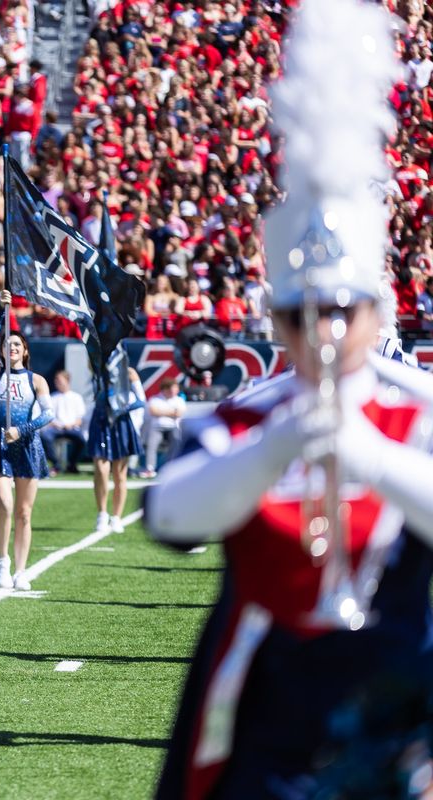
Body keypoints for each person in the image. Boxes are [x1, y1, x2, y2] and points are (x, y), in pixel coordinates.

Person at [146, 3, 433, 795]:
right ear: (275, 322)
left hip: (396, 717)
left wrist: (368, 455)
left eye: (345, 309)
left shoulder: (420, 415)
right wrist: (279, 444)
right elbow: (170, 516)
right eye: (302, 314)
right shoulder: (246, 419)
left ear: (378, 312)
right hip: (263, 720)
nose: (325, 330)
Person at [0, 291, 54, 591]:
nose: (10, 347)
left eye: (16, 344)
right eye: (7, 344)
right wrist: (2, 312)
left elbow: (49, 414)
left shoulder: (36, 380)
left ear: (24, 351)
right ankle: (2, 560)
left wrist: (22, 431)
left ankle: (21, 569)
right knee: (6, 504)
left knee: (25, 512)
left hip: (27, 446)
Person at [89, 348, 146, 534]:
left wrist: (121, 408)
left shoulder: (129, 373)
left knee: (120, 475)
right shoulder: (97, 368)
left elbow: (141, 400)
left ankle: (116, 517)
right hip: (100, 421)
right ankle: (101, 513)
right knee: (100, 469)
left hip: (121, 423)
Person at [40, 370, 88, 475]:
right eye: (56, 380)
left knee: (82, 440)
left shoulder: (76, 397)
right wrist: (55, 424)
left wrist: (71, 425)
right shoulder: (52, 397)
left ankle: (72, 464)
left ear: (67, 381)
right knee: (45, 436)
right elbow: (48, 416)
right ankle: (56, 465)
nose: (57, 383)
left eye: (60, 380)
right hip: (55, 428)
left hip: (72, 428)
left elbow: (81, 418)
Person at [141, 378, 185, 478]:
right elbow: (154, 411)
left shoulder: (179, 400)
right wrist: (171, 412)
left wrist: (162, 412)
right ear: (164, 389)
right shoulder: (155, 399)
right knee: (151, 444)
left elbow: (179, 413)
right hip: (157, 428)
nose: (173, 392)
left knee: (177, 441)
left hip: (173, 427)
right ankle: (149, 469)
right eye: (170, 389)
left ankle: (173, 468)